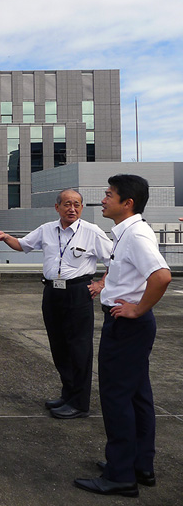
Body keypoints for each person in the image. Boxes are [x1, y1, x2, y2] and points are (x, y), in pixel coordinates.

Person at [74, 175, 171, 497]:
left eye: (108, 194)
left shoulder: (135, 235)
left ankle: (120, 475)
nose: (102, 199)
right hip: (131, 328)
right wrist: (107, 284)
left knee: (117, 399)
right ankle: (139, 465)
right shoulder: (127, 233)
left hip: (127, 327)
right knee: (138, 397)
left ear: (127, 202)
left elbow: (161, 276)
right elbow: (129, 272)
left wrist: (137, 309)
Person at [0, 189, 112, 419]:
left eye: (77, 204)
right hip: (52, 293)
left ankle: (79, 403)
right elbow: (23, 245)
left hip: (78, 293)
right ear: (57, 207)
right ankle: (68, 394)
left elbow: (113, 259)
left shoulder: (91, 232)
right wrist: (6, 237)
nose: (72, 209)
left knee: (79, 349)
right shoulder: (47, 229)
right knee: (59, 347)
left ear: (82, 208)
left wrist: (101, 284)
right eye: (67, 204)